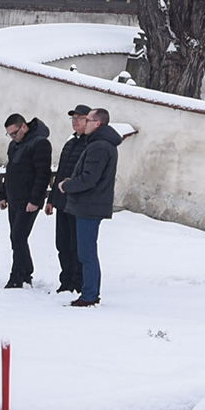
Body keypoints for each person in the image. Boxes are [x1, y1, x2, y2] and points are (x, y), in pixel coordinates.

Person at [55, 106, 119, 307]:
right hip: (89, 205)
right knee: (86, 251)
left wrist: (67, 185)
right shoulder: (100, 144)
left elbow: (90, 179)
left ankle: (90, 294)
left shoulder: (99, 146)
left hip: (89, 206)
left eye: (88, 120)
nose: (84, 123)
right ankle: (89, 292)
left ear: (97, 123)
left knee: (86, 253)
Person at [0, 112, 52, 288]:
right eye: (10, 134)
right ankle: (25, 272)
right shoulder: (14, 146)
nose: (13, 137)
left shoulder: (40, 143)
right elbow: (10, 172)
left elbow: (43, 175)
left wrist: (35, 200)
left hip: (29, 201)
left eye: (15, 133)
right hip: (14, 198)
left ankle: (18, 275)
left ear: (23, 126)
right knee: (16, 237)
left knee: (18, 237)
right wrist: (3, 194)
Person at [48, 107, 93, 293]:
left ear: (89, 121)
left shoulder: (91, 144)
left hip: (79, 203)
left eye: (79, 118)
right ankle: (65, 280)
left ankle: (77, 281)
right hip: (62, 202)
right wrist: (52, 199)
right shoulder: (71, 143)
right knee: (62, 244)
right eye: (73, 118)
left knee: (76, 246)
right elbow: (61, 173)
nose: (75, 122)